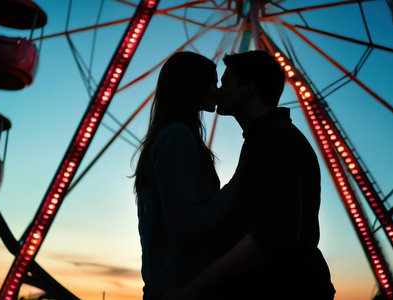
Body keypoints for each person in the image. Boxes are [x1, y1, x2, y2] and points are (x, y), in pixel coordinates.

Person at [166, 50, 336, 299]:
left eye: (225, 83)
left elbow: (270, 237)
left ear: (248, 88)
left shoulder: (275, 140)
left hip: (283, 287)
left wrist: (190, 291)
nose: (218, 90)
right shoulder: (268, 137)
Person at [133, 51, 238, 300]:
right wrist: (237, 187)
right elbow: (186, 227)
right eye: (212, 83)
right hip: (181, 288)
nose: (218, 91)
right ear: (192, 86)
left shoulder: (167, 137)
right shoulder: (177, 137)